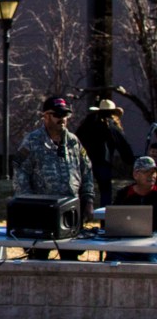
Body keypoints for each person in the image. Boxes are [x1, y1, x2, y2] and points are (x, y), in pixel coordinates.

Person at [13, 96, 94, 260]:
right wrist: (28, 206)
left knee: (71, 258)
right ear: (46, 116)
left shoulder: (73, 141)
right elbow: (21, 174)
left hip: (70, 213)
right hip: (41, 213)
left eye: (65, 115)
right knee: (38, 259)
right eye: (58, 115)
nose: (62, 119)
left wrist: (88, 200)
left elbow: (87, 171)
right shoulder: (32, 141)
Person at [75, 99, 133, 205]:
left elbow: (76, 140)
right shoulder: (112, 126)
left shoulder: (87, 124)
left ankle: (81, 216)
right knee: (105, 192)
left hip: (83, 162)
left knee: (83, 191)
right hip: (102, 163)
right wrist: (131, 161)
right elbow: (123, 145)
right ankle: (104, 218)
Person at [107, 156, 157, 263]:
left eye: (153, 173)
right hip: (125, 242)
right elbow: (114, 220)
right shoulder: (124, 194)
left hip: (152, 245)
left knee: (151, 261)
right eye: (147, 172)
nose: (151, 176)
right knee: (113, 261)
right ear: (135, 174)